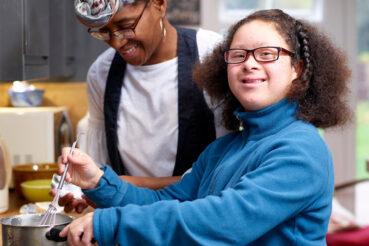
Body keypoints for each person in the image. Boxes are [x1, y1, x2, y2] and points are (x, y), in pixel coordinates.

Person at [58, 9, 351, 245]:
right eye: (238, 55)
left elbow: (224, 222)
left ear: (297, 69)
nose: (249, 64)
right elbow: (165, 200)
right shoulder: (224, 148)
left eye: (266, 54)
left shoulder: (302, 149)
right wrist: (97, 182)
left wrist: (111, 222)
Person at [53, 0, 227, 212]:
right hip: (130, 224)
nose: (117, 43)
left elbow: (223, 174)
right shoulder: (102, 72)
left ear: (159, 4)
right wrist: (85, 190)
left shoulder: (211, 55)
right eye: (104, 32)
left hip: (195, 221)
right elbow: (99, 162)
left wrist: (116, 185)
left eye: (126, 26)